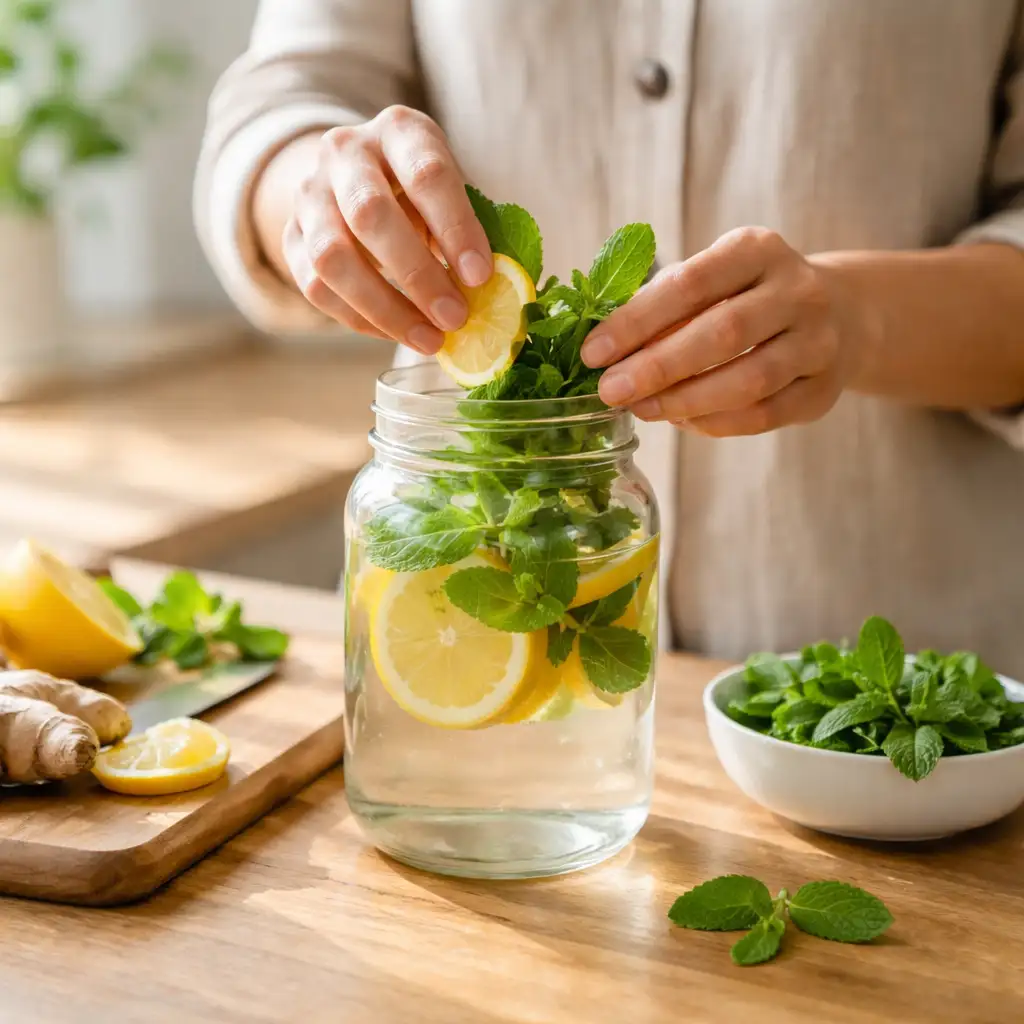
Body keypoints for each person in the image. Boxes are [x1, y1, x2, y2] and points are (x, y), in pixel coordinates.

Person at [195, 1, 1024, 672]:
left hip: (911, 665)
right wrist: (322, 196)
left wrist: (861, 317)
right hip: (473, 643)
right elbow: (283, 99)